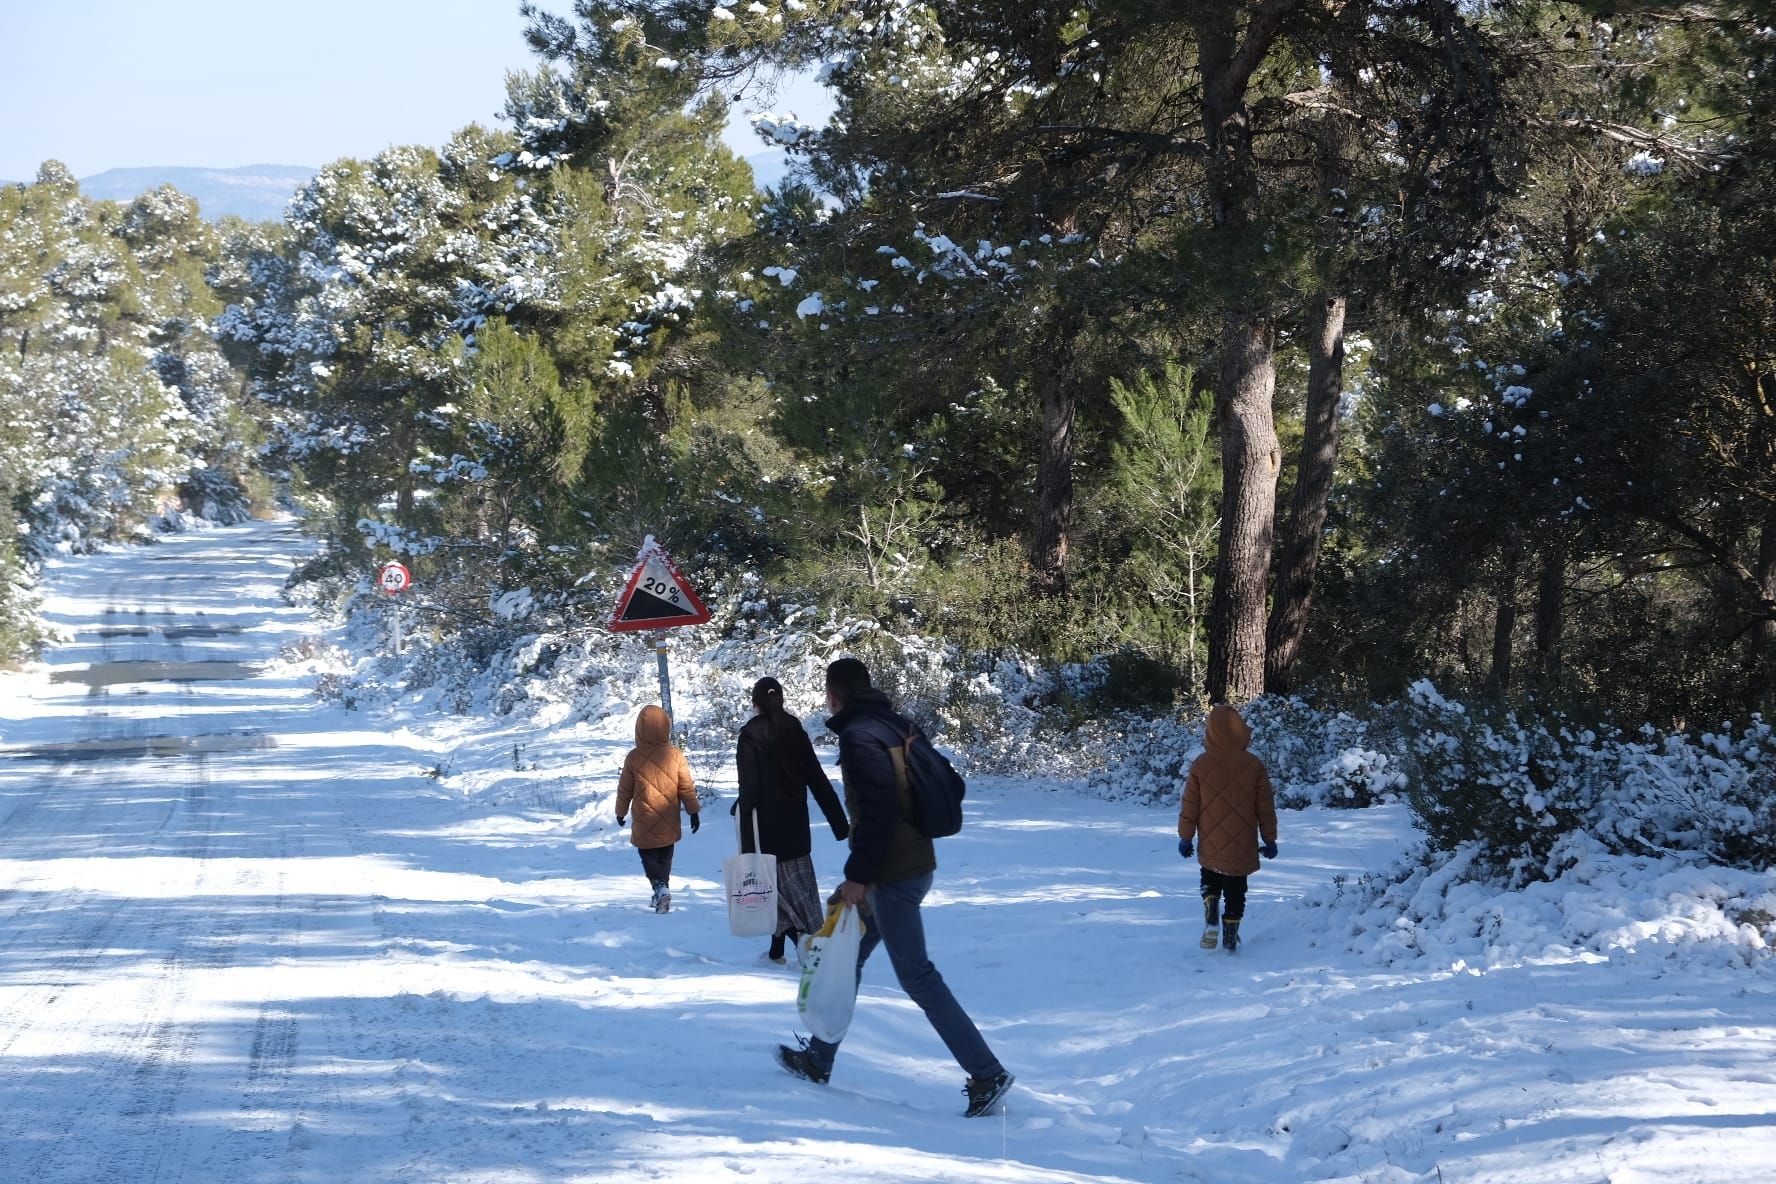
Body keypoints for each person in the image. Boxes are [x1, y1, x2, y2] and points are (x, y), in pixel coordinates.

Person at [775, 657, 1014, 1119]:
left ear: (834, 694)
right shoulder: (892, 723)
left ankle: (987, 1072)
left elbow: (878, 813)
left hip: (893, 874)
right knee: (851, 956)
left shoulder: (861, 736)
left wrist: (858, 877)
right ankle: (820, 1058)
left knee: (918, 976)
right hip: (911, 860)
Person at [736, 676, 850, 965]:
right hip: (796, 828)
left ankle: (809, 947)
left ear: (755, 702)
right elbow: (816, 778)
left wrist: (744, 832)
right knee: (797, 894)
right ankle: (777, 953)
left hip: (764, 830)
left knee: (773, 892)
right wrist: (840, 823)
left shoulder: (750, 734)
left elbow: (748, 789)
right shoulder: (794, 729)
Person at [1177, 703, 1279, 953]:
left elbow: (1190, 804)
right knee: (1236, 888)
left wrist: (1186, 837)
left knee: (1210, 877)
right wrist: (1269, 838)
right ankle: (1231, 934)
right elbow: (1265, 805)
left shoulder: (1201, 764)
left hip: (1210, 838)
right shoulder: (1254, 764)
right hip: (1243, 841)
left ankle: (1211, 910)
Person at [615, 704, 701, 913]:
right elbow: (686, 787)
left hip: (645, 816)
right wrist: (693, 811)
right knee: (665, 854)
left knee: (647, 854)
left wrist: (621, 811)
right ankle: (662, 891)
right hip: (669, 815)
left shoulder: (634, 757)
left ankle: (660, 888)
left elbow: (625, 788)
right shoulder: (675, 755)